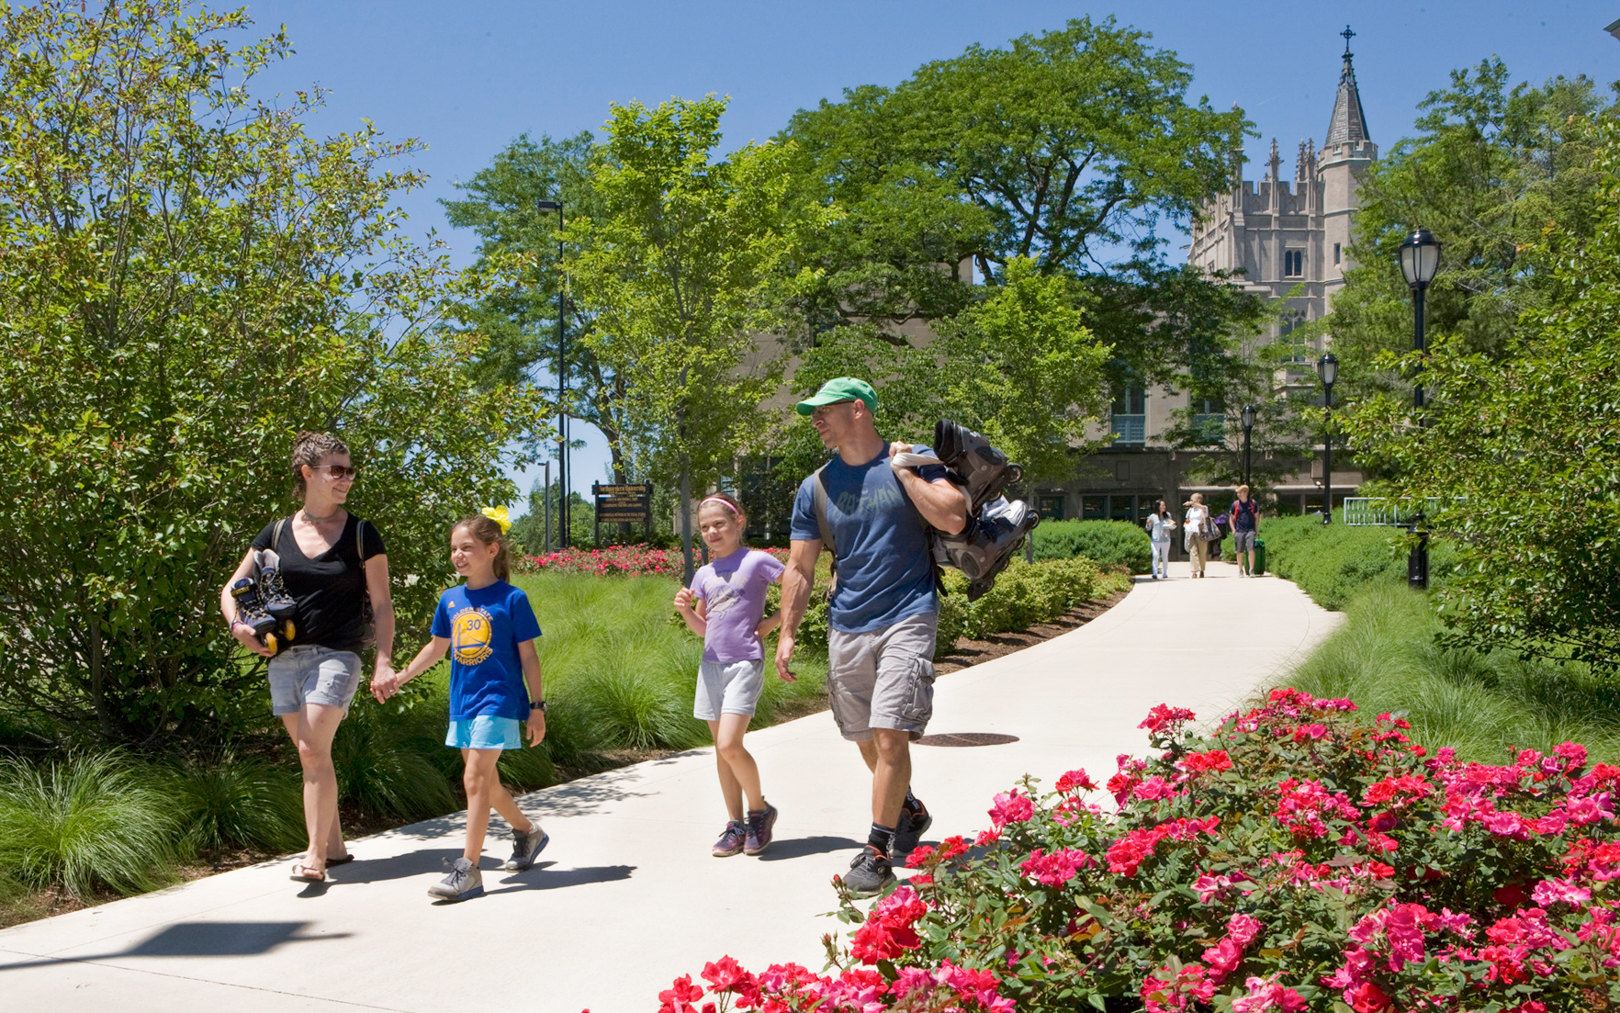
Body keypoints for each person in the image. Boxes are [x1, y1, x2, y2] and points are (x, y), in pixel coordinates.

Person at [775, 377, 969, 897]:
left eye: (824, 410)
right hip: (848, 621)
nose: (815, 419)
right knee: (862, 734)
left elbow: (953, 517)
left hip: (909, 612)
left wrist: (906, 474)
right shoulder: (815, 485)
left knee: (890, 733)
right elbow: (799, 564)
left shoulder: (914, 459)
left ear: (858, 409)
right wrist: (787, 631)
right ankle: (907, 809)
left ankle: (878, 848)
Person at [219, 430, 395, 885]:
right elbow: (232, 589)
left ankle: (314, 856)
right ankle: (335, 845)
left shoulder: (361, 533)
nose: (346, 479)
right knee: (314, 756)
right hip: (285, 658)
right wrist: (239, 628)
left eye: (349, 470)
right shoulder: (276, 533)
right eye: (336, 470)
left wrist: (384, 659)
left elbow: (381, 603)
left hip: (338, 653)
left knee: (311, 749)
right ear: (307, 473)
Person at [373, 510, 549, 902]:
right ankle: (528, 832)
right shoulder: (451, 600)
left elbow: (529, 657)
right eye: (454, 549)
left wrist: (537, 706)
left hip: (499, 700)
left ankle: (468, 869)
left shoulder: (512, 598)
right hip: (463, 702)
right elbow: (437, 648)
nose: (458, 555)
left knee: (473, 779)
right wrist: (399, 677)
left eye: (467, 548)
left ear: (491, 549)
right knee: (486, 783)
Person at [672, 492, 788, 858]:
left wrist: (773, 623)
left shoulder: (756, 562)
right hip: (711, 666)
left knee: (729, 744)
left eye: (719, 524)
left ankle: (760, 811)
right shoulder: (704, 573)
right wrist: (686, 611)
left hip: (744, 663)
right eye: (705, 527)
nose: (711, 532)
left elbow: (795, 585)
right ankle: (735, 824)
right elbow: (704, 628)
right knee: (721, 753)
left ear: (738, 522)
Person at [1231, 484, 1261, 576]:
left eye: (1240, 492)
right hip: (1239, 530)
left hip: (1250, 530)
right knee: (1239, 551)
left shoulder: (1253, 504)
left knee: (1251, 549)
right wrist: (1233, 530)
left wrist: (1256, 529)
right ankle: (1240, 570)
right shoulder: (1235, 505)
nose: (1238, 494)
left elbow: (1257, 517)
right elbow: (1231, 518)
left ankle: (1251, 570)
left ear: (1245, 493)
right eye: (1238, 493)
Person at [1144, 500, 1176, 579]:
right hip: (1155, 539)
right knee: (1155, 555)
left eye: (1164, 505)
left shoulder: (1168, 515)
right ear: (1158, 506)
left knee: (1165, 556)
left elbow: (1171, 526)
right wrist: (1148, 523)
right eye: (1162, 505)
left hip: (1165, 539)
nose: (1164, 507)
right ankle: (1154, 573)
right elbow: (1148, 528)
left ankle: (1165, 573)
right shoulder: (1152, 516)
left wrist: (1172, 523)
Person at [1183, 492, 1211, 578]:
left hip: (1201, 533)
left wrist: (1191, 503)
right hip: (1191, 533)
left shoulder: (1203, 508)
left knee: (1202, 552)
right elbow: (1187, 520)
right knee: (1193, 551)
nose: (1191, 502)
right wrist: (1186, 525)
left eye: (1192, 500)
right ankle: (1194, 571)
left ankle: (1202, 570)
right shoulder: (1190, 511)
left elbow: (1203, 509)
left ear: (1198, 500)